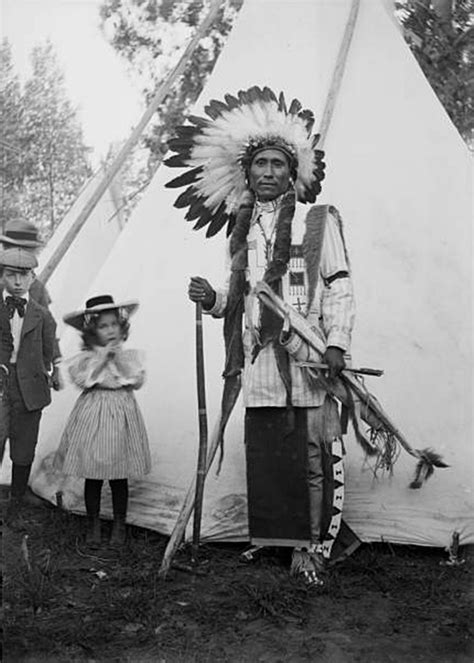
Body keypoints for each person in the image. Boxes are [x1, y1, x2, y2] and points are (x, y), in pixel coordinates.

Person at [166, 86, 355, 585]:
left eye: (277, 164)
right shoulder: (240, 227)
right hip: (259, 359)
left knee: (311, 454)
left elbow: (339, 286)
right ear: (246, 173)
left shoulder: (318, 221)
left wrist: (335, 343)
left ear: (293, 172)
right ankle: (275, 537)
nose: (268, 172)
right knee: (269, 452)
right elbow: (234, 299)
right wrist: (210, 298)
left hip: (307, 353)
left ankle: (313, 547)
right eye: (260, 165)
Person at [53, 295, 151, 546]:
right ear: (91, 331)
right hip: (95, 413)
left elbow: (137, 381)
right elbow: (83, 379)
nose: (110, 331)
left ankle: (119, 523)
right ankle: (93, 523)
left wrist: (117, 358)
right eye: (102, 326)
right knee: (93, 475)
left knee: (119, 476)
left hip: (121, 413)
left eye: (113, 325)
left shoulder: (128, 356)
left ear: (122, 327)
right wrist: (101, 357)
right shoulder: (86, 358)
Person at [0, 247, 60, 509]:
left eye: (23, 276)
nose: (16, 282)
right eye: (11, 274)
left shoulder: (41, 314)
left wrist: (55, 368)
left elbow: (50, 346)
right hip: (2, 381)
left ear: (32, 278)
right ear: (1, 275)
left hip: (30, 385)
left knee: (25, 439)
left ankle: (18, 495)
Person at [0, 218, 61, 389]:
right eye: (14, 250)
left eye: (26, 252)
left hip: (26, 366)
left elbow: (48, 328)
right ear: (5, 249)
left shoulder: (36, 288)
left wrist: (55, 366)